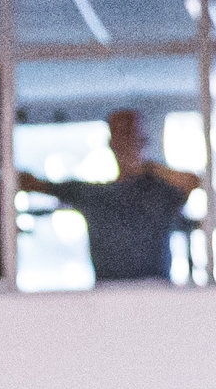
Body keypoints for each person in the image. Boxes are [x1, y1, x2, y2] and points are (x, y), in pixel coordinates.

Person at [21, 109, 199, 284]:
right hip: (108, 293)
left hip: (156, 290)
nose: (127, 145)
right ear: (111, 144)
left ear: (143, 141)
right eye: (121, 137)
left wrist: (149, 167)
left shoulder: (161, 191)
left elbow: (193, 181)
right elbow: (32, 184)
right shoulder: (95, 195)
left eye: (132, 137)